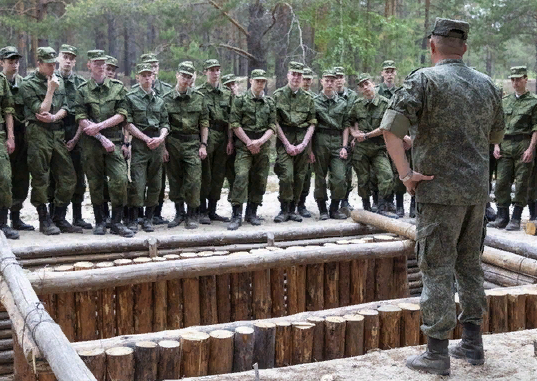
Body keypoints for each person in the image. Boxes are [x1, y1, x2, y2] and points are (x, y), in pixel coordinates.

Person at [381, 18, 504, 375]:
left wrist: (406, 174)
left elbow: (391, 130)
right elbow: (494, 136)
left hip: (436, 192)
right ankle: (472, 344)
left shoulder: (424, 79)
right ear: (463, 48)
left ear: (432, 46)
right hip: (475, 193)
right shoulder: (487, 85)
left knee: (436, 269)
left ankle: (436, 353)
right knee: (469, 265)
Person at [73, 50, 133, 237]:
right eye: (96, 63)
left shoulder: (117, 87)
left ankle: (116, 221)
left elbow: (123, 114)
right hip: (91, 144)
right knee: (96, 183)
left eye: (103, 63)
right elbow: (80, 117)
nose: (100, 67)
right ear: (89, 65)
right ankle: (100, 221)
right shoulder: (82, 89)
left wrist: (100, 126)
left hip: (114, 141)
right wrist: (100, 136)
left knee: (120, 180)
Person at [21, 47, 81, 235]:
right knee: (40, 177)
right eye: (48, 65)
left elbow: (65, 107)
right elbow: (40, 110)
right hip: (38, 132)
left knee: (68, 176)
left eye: (54, 64)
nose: (52, 68)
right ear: (39, 63)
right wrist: (50, 90)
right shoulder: (28, 83)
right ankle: (43, 218)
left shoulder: (59, 80)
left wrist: (55, 118)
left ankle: (59, 216)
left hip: (57, 131)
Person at [489, 66, 537, 230]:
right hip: (505, 144)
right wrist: (496, 145)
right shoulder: (505, 101)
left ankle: (516, 218)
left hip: (523, 143)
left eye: (518, 79)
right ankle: (502, 217)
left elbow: (535, 128)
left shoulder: (533, 102)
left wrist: (531, 148)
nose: (515, 83)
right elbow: (497, 125)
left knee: (523, 181)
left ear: (525, 79)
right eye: (513, 80)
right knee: (502, 181)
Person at [162, 61, 209, 229]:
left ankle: (192, 214)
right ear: (177, 75)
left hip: (192, 143)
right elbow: (163, 124)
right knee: (174, 180)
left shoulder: (199, 98)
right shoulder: (166, 99)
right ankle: (179, 212)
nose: (186, 79)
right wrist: (163, 148)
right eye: (183, 76)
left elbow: (204, 123)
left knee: (194, 180)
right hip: (173, 142)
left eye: (189, 77)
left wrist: (203, 145)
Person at [227, 69, 275, 230]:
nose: (260, 84)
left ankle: (252, 212)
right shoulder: (240, 100)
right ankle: (236, 214)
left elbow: (272, 126)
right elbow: (234, 123)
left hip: (262, 145)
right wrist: (249, 142)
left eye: (263, 81)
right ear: (250, 81)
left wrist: (260, 142)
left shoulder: (269, 102)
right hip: (244, 145)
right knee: (240, 176)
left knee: (259, 178)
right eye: (257, 81)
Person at [52, 44, 92, 230]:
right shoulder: (50, 79)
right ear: (59, 58)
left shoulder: (81, 84)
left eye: (71, 58)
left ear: (75, 61)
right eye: (65, 56)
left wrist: (76, 138)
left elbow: (84, 114)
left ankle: (77, 216)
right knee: (55, 176)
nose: (68, 60)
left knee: (78, 176)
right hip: (54, 132)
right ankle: (55, 217)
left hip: (77, 133)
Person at [124, 63, 169, 233]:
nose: (147, 78)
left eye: (150, 75)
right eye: (143, 75)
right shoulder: (131, 97)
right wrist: (144, 138)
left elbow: (165, 123)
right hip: (140, 143)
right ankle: (134, 219)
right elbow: (128, 123)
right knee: (138, 182)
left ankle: (149, 218)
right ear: (138, 77)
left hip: (157, 143)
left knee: (156, 183)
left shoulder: (159, 100)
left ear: (154, 77)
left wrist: (161, 138)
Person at [349, 73, 397, 218]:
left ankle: (382, 206)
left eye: (367, 84)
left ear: (373, 84)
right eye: (362, 86)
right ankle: (367, 207)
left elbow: (386, 126)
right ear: (360, 89)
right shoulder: (357, 105)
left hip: (378, 147)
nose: (366, 87)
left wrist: (366, 135)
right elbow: (349, 122)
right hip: (361, 149)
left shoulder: (385, 103)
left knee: (387, 176)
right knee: (363, 179)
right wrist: (355, 133)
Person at [273, 61, 316, 222]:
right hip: (286, 139)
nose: (296, 77)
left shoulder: (308, 98)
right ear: (288, 75)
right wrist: (286, 144)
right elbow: (274, 123)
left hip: (302, 140)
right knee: (287, 176)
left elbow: (312, 123)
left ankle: (293, 209)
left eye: (299, 75)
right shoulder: (278, 95)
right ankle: (284, 209)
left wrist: (304, 144)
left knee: (300, 177)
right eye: (294, 74)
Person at [0, 46, 33, 231]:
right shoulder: (0, 82)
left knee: (21, 177)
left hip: (22, 135)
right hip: (3, 134)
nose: (14, 65)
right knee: (5, 177)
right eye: (10, 61)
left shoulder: (24, 84)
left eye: (16, 61)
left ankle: (16, 216)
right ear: (2, 62)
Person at [197, 59, 232, 224]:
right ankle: (202, 210)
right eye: (211, 70)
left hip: (223, 136)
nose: (215, 73)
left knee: (219, 175)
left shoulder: (226, 92)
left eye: (217, 70)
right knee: (206, 174)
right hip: (207, 135)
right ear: (205, 72)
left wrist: (230, 140)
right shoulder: (199, 92)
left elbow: (232, 119)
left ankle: (213, 210)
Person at [311, 69, 349, 220]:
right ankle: (322, 210)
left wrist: (344, 146)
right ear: (321, 81)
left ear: (335, 82)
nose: (329, 83)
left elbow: (346, 126)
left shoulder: (342, 103)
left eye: (332, 80)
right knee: (320, 177)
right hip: (320, 141)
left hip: (337, 141)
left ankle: (334, 208)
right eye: (326, 80)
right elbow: (311, 127)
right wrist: (310, 150)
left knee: (340, 177)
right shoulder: (314, 102)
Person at [334, 66, 357, 213]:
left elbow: (356, 116)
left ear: (344, 79)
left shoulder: (353, 96)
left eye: (341, 77)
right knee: (334, 172)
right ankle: (332, 202)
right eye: (335, 78)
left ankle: (345, 200)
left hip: (348, 137)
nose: (338, 80)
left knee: (347, 171)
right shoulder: (327, 95)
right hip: (332, 135)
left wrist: (355, 136)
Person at [0, 61, 18, 239]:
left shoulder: (1, 80)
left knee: (4, 178)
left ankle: (3, 223)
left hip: (0, 135)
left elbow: (8, 109)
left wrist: (10, 136)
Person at [297, 67, 315, 218]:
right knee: (293, 174)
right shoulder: (296, 97)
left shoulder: (314, 98)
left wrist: (311, 149)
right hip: (297, 140)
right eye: (305, 79)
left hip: (313, 142)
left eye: (309, 79)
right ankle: (290, 204)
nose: (307, 82)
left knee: (306, 175)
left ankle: (301, 204)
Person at [221, 73, 240, 203]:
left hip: (239, 141)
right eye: (227, 86)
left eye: (233, 84)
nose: (231, 87)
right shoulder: (223, 101)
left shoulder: (242, 100)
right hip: (223, 139)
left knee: (237, 173)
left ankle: (235, 200)